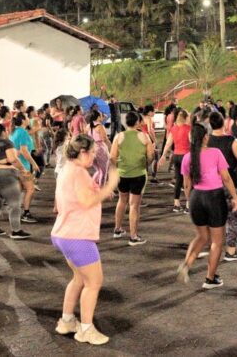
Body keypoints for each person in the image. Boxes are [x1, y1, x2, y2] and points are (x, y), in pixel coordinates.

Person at [52, 135, 121, 346]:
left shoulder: (66, 169)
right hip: (78, 236)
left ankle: (66, 321)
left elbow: (68, 198)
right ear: (82, 152)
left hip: (64, 233)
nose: (93, 157)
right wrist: (111, 186)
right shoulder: (79, 172)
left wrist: (97, 190)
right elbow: (86, 201)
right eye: (92, 153)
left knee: (79, 279)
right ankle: (86, 329)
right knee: (94, 282)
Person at [176, 123, 237, 289]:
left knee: (202, 236)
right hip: (214, 197)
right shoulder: (215, 153)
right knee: (217, 242)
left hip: (197, 197)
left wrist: (190, 200)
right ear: (205, 137)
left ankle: (187, 264)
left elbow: (186, 184)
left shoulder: (187, 157)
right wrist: (234, 197)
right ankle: (210, 278)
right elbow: (226, 178)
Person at [207, 112, 237, 261]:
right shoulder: (232, 141)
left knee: (213, 217)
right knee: (233, 218)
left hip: (211, 185)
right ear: (224, 124)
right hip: (231, 183)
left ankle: (212, 246)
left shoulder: (205, 141)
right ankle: (230, 251)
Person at [109, 112, 153, 245]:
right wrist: (147, 163)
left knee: (122, 201)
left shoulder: (119, 136)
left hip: (122, 174)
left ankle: (117, 229)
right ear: (138, 122)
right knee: (134, 205)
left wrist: (116, 168)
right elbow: (150, 156)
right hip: (138, 174)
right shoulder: (145, 137)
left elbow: (112, 156)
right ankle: (133, 236)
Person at [0, 124, 32, 239]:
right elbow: (13, 159)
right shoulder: (6, 142)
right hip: (4, 176)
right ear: (4, 132)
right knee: (14, 204)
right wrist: (23, 169)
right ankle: (16, 231)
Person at [158, 109, 191, 213]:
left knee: (178, 180)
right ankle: (188, 205)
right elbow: (192, 142)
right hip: (186, 156)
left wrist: (163, 155)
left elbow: (168, 143)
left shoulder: (173, 128)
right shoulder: (189, 128)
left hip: (176, 156)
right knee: (187, 181)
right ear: (186, 118)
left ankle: (176, 204)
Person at [10, 115, 40, 223]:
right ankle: (26, 213)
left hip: (15, 165)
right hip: (23, 166)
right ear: (23, 120)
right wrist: (34, 164)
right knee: (30, 189)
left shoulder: (14, 131)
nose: (29, 119)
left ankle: (17, 213)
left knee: (19, 190)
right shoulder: (22, 132)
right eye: (27, 117)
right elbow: (24, 151)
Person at [88, 110, 111, 186]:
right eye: (101, 115)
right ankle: (101, 190)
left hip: (91, 149)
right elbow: (105, 139)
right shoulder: (100, 126)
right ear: (98, 117)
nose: (102, 116)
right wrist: (111, 147)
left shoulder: (88, 126)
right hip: (100, 149)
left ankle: (92, 186)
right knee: (103, 172)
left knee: (98, 170)